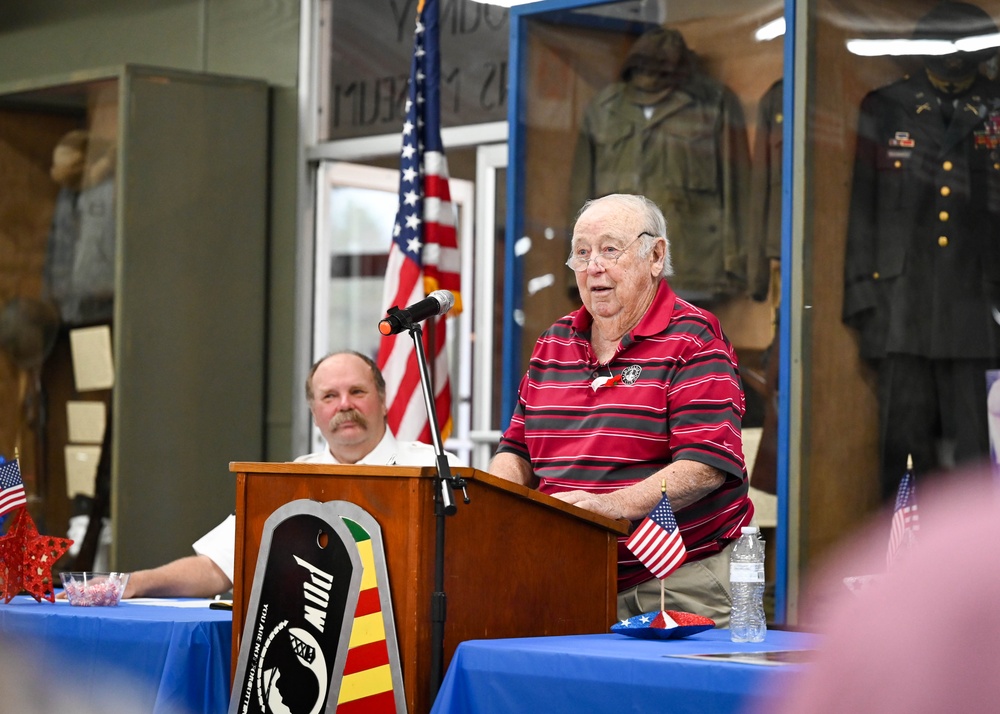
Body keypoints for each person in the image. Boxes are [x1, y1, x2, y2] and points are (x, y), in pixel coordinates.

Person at [490, 193, 754, 626]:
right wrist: (496, 503)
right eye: (581, 252)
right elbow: (516, 450)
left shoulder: (694, 339)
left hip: (674, 584)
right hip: (565, 576)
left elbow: (706, 464)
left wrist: (608, 507)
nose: (594, 265)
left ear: (655, 256)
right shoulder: (553, 343)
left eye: (610, 249)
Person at [123, 350, 460, 598]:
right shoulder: (288, 483)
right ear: (315, 414)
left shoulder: (439, 471)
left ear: (384, 401)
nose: (345, 405)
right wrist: (134, 582)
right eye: (330, 396)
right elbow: (217, 568)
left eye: (357, 392)